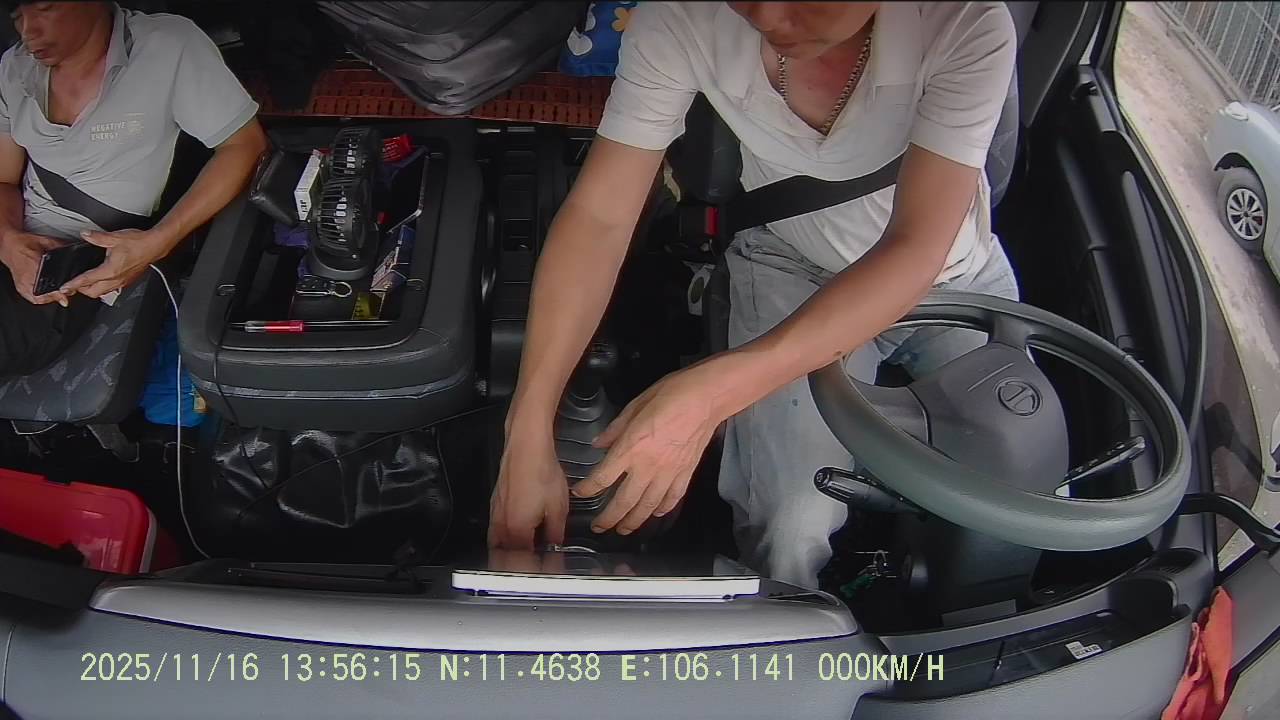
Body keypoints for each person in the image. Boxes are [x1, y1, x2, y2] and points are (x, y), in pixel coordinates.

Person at [489, 1, 1019, 589]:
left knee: (1012, 501)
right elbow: (600, 216)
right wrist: (527, 428)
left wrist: (710, 396)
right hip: (790, 264)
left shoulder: (963, 22)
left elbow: (915, 246)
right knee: (790, 526)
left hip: (954, 277)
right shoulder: (684, 14)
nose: (766, 15)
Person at [0, 0, 267, 377]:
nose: (29, 32)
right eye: (17, 17)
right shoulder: (13, 67)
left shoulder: (167, 44)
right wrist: (8, 242)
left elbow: (244, 145)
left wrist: (160, 241)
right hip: (15, 243)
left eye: (46, 9)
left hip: (83, 264)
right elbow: (4, 179)